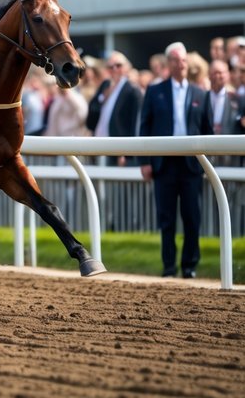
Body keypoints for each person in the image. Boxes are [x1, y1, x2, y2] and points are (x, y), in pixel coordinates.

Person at [138, 42, 213, 278]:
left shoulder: (201, 94)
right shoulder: (155, 91)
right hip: (164, 164)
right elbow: (145, 127)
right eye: (175, 60)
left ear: (187, 63)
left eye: (183, 60)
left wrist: (207, 163)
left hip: (191, 165)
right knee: (166, 218)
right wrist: (145, 161)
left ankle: (190, 266)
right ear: (168, 63)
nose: (180, 64)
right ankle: (169, 267)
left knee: (192, 217)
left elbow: (208, 131)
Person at [85, 50, 142, 166]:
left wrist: (127, 153)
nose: (114, 69)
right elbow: (91, 114)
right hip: (98, 147)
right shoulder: (105, 85)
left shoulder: (132, 90)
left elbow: (135, 125)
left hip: (118, 150)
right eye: (110, 67)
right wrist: (102, 98)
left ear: (126, 67)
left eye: (118, 65)